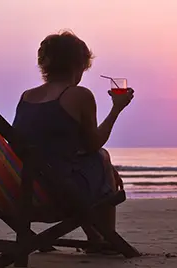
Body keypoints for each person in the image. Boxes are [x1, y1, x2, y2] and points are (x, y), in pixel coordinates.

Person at [12, 30, 133, 254]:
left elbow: (43, 146)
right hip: (59, 195)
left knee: (87, 162)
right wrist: (117, 108)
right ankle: (103, 239)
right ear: (79, 65)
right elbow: (93, 144)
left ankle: (95, 235)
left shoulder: (27, 97)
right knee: (101, 156)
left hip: (23, 192)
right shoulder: (78, 95)